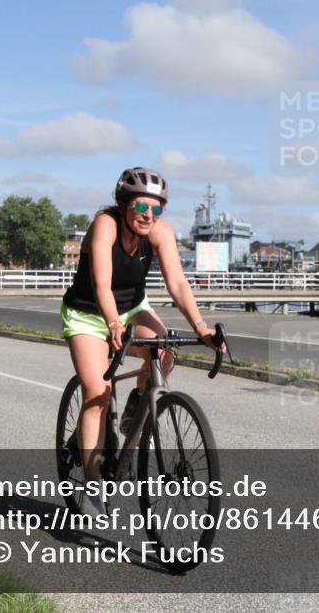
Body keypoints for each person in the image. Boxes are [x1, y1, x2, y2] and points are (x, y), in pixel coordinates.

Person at [60, 167, 223, 515]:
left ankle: (136, 403)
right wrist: (112, 323)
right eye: (141, 207)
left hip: (132, 309)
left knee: (165, 351)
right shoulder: (105, 225)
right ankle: (92, 483)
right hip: (88, 314)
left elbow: (177, 283)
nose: (149, 215)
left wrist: (201, 327)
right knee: (98, 393)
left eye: (157, 208)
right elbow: (101, 284)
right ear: (124, 206)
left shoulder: (160, 231)